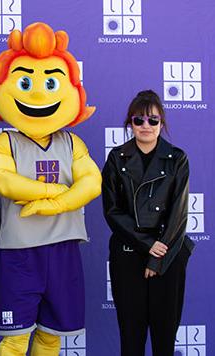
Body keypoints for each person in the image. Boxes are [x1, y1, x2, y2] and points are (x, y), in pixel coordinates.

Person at [0, 23, 101, 356]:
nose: (38, 94)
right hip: (20, 252)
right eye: (25, 82)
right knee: (15, 340)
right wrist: (55, 193)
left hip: (63, 250)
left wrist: (58, 203)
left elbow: (92, 181)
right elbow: (5, 181)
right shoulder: (4, 143)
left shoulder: (72, 142)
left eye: (50, 83)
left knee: (52, 337)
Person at [102, 90, 195, 356]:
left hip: (168, 255)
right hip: (128, 254)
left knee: (165, 337)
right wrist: (146, 245)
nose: (146, 126)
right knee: (131, 336)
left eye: (153, 120)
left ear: (162, 124)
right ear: (130, 123)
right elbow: (112, 211)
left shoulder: (178, 158)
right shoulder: (116, 158)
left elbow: (179, 213)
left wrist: (157, 257)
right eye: (139, 119)